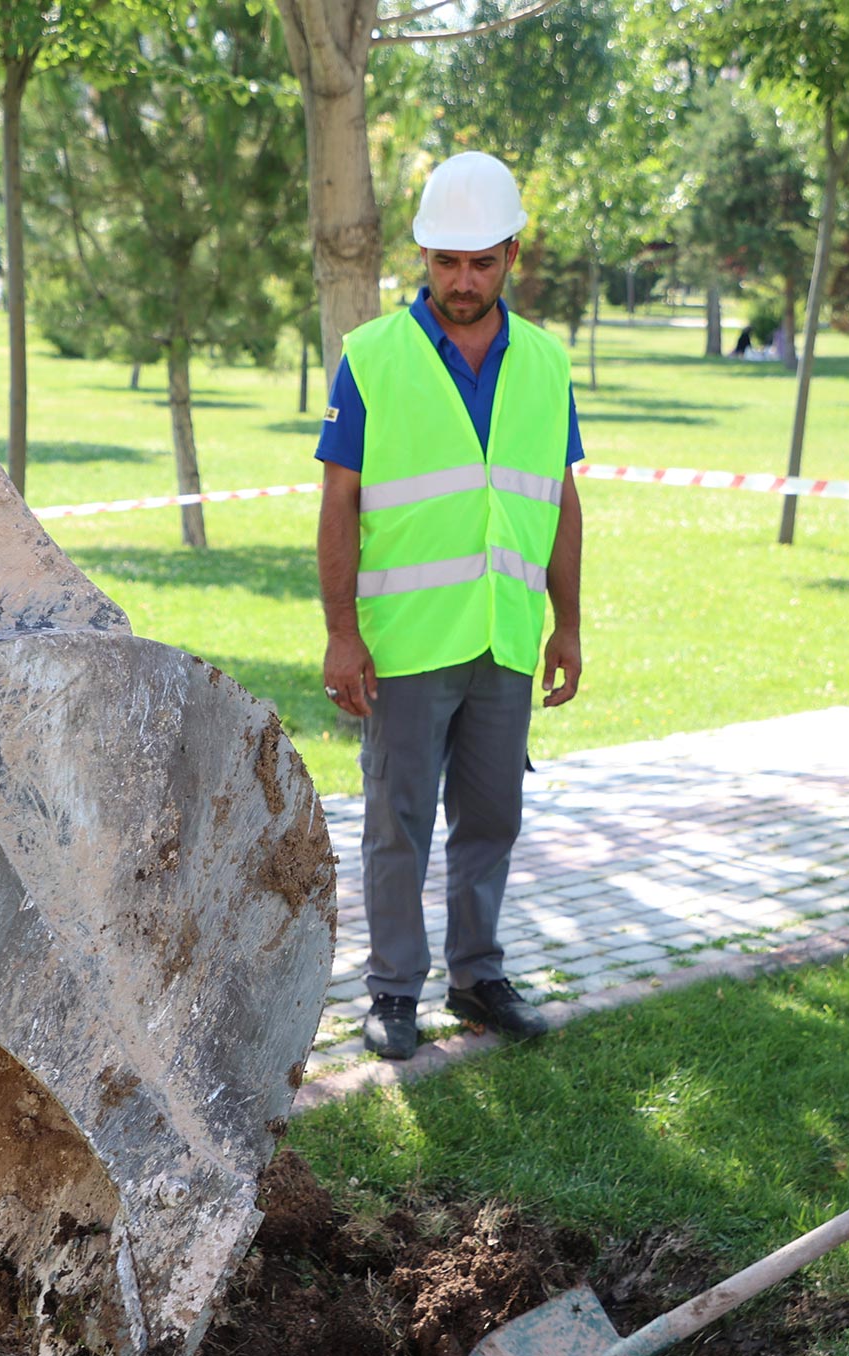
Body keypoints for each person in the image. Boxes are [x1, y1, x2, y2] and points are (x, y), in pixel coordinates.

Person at [314, 150, 587, 1063]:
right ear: (423, 256)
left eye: (480, 263)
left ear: (513, 254)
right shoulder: (371, 358)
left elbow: (558, 496)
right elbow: (339, 503)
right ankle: (393, 989)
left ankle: (478, 977)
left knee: (492, 817)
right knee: (398, 822)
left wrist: (569, 623)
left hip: (504, 636)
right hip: (404, 643)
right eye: (444, 263)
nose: (461, 282)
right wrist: (342, 634)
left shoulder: (547, 363)